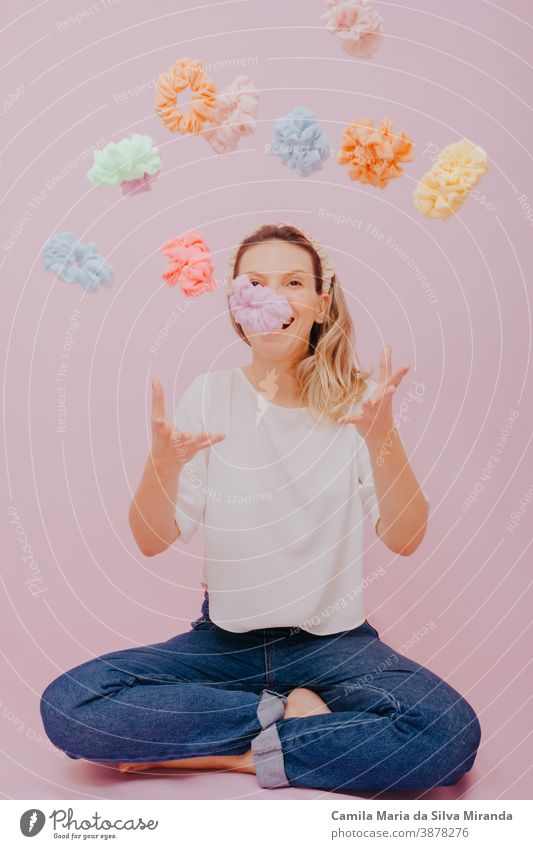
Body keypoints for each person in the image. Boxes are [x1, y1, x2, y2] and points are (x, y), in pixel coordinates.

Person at [40, 223, 481, 792]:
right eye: (257, 281)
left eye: (294, 281)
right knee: (71, 706)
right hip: (224, 645)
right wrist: (163, 463)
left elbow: (406, 537)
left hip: (335, 645)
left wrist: (382, 439)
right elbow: (152, 539)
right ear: (237, 303)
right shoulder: (209, 393)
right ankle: (284, 721)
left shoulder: (359, 403)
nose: (274, 295)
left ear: (321, 304)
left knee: (448, 734)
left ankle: (236, 757)